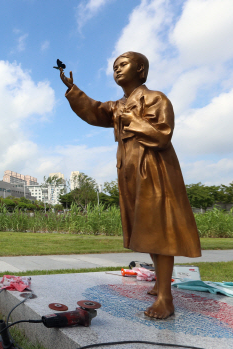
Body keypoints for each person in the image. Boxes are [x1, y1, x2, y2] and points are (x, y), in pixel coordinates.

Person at [59, 52, 201, 319]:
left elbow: (162, 135)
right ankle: (159, 282)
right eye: (114, 66)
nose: (117, 69)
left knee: (160, 229)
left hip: (154, 169)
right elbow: (94, 111)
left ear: (141, 70)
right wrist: (73, 90)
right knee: (146, 228)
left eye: (123, 64)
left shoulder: (156, 99)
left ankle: (165, 299)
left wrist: (132, 119)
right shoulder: (117, 106)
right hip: (129, 173)